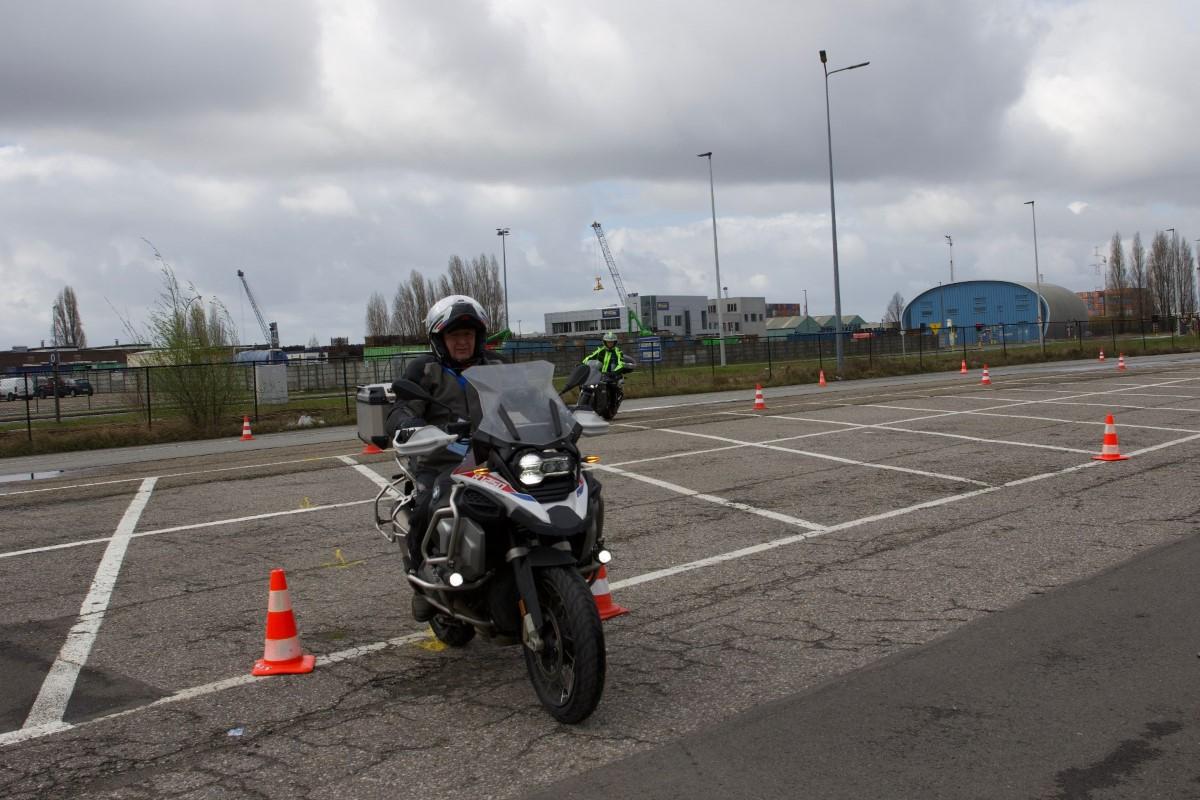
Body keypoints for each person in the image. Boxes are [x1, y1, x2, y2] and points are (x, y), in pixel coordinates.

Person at [385, 295, 504, 618]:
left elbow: (525, 397)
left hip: (494, 456)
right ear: (440, 339)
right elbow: (401, 408)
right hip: (441, 459)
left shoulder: (496, 366)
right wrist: (408, 424)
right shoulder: (424, 370)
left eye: (468, 334)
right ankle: (420, 577)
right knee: (427, 504)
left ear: (478, 337)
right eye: (454, 335)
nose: (462, 341)